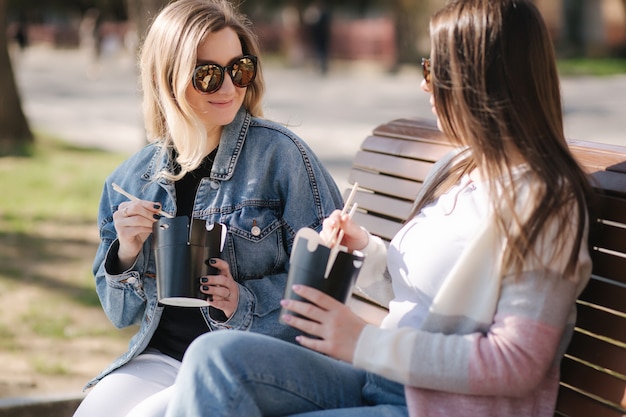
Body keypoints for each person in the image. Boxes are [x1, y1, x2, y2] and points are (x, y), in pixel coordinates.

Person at [163, 0, 593, 416]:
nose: (425, 84)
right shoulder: (458, 168)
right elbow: (427, 294)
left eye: (435, 70)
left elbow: (516, 362)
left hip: (434, 406)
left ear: (481, 79)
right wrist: (365, 250)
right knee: (213, 357)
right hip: (380, 381)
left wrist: (364, 341)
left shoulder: (545, 202)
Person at [72, 0, 343, 416]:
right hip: (163, 358)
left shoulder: (281, 156)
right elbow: (120, 314)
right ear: (169, 79)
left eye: (240, 69)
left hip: (252, 358)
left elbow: (332, 277)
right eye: (208, 75)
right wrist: (125, 251)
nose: (230, 88)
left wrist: (244, 301)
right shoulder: (131, 179)